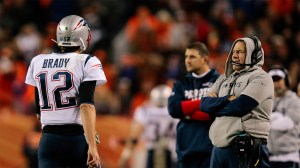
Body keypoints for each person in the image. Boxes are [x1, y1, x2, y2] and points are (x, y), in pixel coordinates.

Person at [25, 15, 106, 168]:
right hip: (76, 139)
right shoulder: (87, 61)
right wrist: (92, 146)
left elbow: (39, 112)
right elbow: (86, 105)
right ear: (83, 35)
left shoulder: (38, 61)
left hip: (48, 140)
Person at [200, 36, 274, 168]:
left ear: (253, 54)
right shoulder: (224, 78)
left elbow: (240, 106)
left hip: (247, 147)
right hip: (218, 147)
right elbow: (204, 105)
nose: (234, 55)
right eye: (233, 51)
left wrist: (215, 105)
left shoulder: (262, 77)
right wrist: (227, 99)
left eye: (240, 52)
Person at [168, 42, 220, 168]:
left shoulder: (219, 81)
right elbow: (174, 109)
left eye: (192, 57)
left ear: (205, 59)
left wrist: (187, 113)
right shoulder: (182, 83)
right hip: (185, 152)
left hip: (211, 151)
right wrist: (203, 102)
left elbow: (216, 114)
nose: (187, 61)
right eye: (186, 57)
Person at [119, 84, 178, 168]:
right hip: (174, 153)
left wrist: (126, 155)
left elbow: (134, 136)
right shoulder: (177, 110)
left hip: (152, 152)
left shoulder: (145, 110)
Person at [267, 65, 300, 168]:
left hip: (288, 158)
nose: (276, 83)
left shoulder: (294, 100)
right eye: (273, 80)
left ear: (286, 81)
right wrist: (277, 117)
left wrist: (268, 120)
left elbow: (287, 124)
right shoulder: (265, 101)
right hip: (268, 157)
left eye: (279, 80)